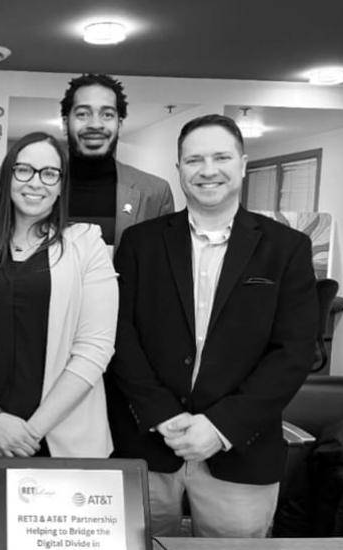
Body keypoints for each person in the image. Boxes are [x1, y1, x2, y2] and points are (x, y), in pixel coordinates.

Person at [106, 114, 318, 538]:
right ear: (179, 167)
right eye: (194, 159)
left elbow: (294, 352)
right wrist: (161, 414)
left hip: (241, 449)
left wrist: (221, 427)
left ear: (242, 164)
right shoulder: (140, 243)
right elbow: (119, 334)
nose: (207, 170)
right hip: (147, 443)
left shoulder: (287, 247)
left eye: (221, 157)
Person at [0, 131, 119, 534]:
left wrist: (29, 432)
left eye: (49, 173)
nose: (35, 181)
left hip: (59, 439)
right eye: (24, 169)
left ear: (60, 186)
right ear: (7, 177)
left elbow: (95, 349)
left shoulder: (86, 244)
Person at [60, 73, 175, 248]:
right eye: (83, 114)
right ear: (65, 124)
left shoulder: (155, 193)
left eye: (107, 115)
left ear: (119, 126)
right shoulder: (35, 186)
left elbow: (162, 265)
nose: (95, 124)